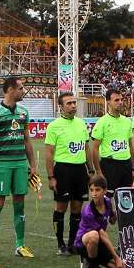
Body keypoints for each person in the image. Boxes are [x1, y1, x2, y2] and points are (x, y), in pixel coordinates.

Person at [0, 75, 37, 262]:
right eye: (20, 88)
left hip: (20, 164)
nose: (23, 91)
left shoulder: (24, 112)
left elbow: (27, 140)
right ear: (10, 89)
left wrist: (32, 165)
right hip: (2, 165)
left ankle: (19, 245)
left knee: (20, 204)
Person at [44, 92, 92, 255]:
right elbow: (49, 153)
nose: (73, 106)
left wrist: (91, 170)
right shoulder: (54, 126)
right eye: (69, 103)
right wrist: (51, 177)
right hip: (63, 170)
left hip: (80, 171)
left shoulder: (81, 123)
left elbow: (86, 148)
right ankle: (60, 245)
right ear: (61, 107)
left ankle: (73, 243)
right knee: (61, 207)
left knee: (77, 208)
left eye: (74, 103)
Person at [75, 175, 127, 268]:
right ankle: (90, 266)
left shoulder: (107, 202)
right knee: (94, 235)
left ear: (105, 191)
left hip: (99, 242)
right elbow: (101, 233)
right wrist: (116, 257)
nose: (94, 194)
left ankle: (98, 262)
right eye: (91, 190)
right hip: (84, 243)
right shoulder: (88, 211)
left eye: (97, 190)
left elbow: (112, 221)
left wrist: (120, 209)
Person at [88, 88, 134, 194]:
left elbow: (130, 145)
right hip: (109, 166)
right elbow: (95, 149)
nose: (120, 102)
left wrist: (133, 167)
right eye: (116, 100)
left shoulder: (127, 122)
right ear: (108, 102)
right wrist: (98, 171)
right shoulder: (102, 122)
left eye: (121, 99)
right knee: (109, 198)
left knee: (125, 199)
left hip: (126, 165)